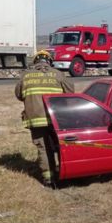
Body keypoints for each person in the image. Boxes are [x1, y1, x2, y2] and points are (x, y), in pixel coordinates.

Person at [15, 50, 74, 187]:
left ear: (35, 61)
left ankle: (49, 178)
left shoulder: (26, 75)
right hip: (56, 119)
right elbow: (70, 92)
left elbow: (18, 95)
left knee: (43, 148)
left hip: (36, 120)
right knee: (61, 146)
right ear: (49, 61)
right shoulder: (58, 74)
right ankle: (66, 173)